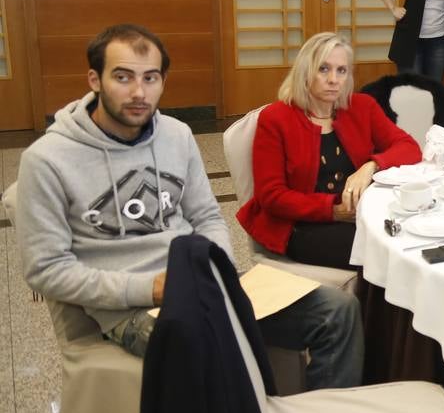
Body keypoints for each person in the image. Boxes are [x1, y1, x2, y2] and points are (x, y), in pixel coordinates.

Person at [16, 24, 364, 389]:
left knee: (336, 311)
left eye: (150, 78)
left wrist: (220, 270)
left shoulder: (176, 135)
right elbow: (46, 270)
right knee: (214, 338)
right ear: (94, 79)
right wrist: (150, 289)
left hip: (202, 283)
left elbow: (208, 216)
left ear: (163, 81)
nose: (138, 92)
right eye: (122, 77)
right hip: (132, 309)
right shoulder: (48, 160)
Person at [238, 32, 422, 271]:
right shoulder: (276, 119)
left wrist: (371, 166)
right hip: (302, 226)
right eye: (324, 69)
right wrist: (333, 211)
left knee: (412, 245)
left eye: (341, 71)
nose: (334, 79)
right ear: (305, 71)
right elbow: (271, 196)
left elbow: (410, 148)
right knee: (384, 256)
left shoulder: (362, 107)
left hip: (360, 216)